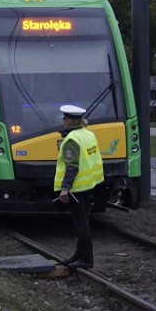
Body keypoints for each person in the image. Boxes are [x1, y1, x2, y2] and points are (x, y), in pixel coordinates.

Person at [54, 105, 104, 269]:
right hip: (88, 184)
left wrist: (65, 188)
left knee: (81, 224)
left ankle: (87, 260)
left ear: (68, 121)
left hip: (76, 188)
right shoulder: (88, 134)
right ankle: (78, 255)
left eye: (64, 119)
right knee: (84, 221)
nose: (63, 122)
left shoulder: (71, 140)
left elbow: (72, 166)